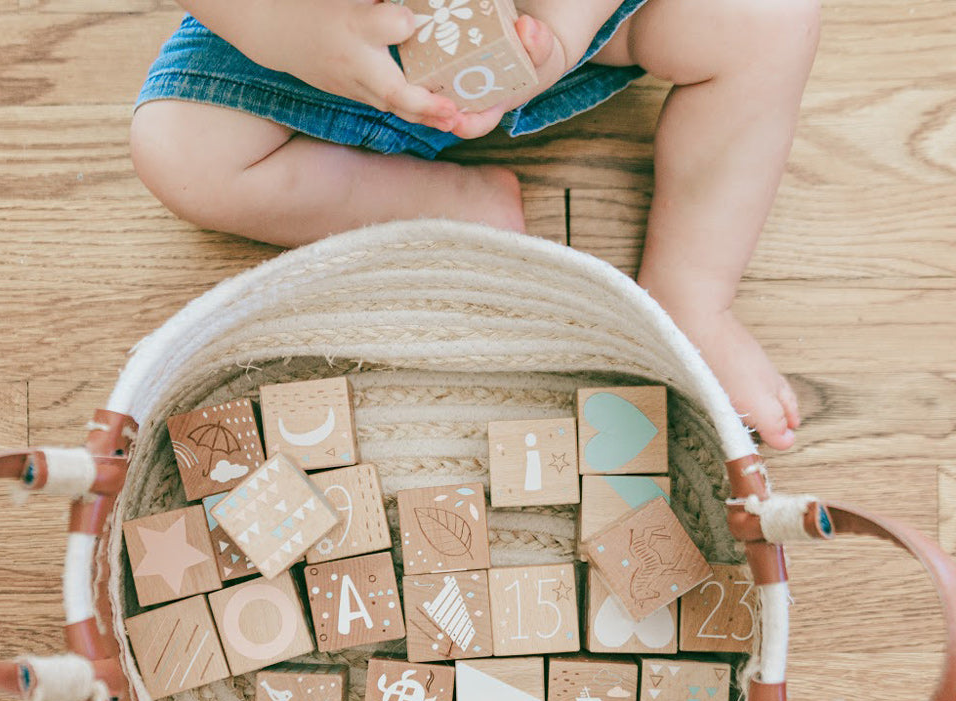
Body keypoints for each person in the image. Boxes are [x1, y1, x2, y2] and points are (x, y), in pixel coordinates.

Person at [131, 0, 821, 449]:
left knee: (771, 15)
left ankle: (691, 293)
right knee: (180, 152)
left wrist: (558, 33)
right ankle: (441, 204)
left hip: (554, 24)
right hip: (314, 38)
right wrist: (283, 29)